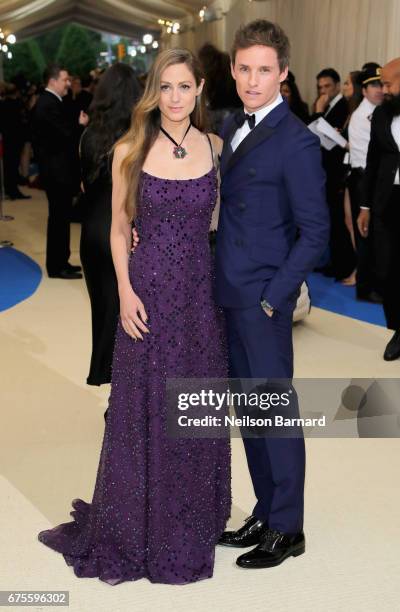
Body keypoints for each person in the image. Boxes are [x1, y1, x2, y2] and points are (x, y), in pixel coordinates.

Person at [38, 48, 231, 585]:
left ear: (199, 91)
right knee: (144, 405)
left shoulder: (216, 148)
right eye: (166, 87)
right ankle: (140, 523)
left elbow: (217, 220)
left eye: (185, 87)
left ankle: (194, 515)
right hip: (146, 291)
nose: (175, 98)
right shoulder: (130, 148)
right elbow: (118, 229)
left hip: (198, 295)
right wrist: (124, 290)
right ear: (154, 92)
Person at [214, 20, 329, 569]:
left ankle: (288, 527)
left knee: (274, 414)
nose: (252, 80)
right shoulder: (235, 124)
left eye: (264, 70)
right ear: (233, 69)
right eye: (244, 68)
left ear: (283, 74)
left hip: (262, 301)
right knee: (251, 414)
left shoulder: (297, 141)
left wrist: (274, 296)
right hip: (230, 293)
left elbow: (317, 233)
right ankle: (266, 509)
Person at [79, 63, 142, 386]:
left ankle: (111, 385)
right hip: (124, 232)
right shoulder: (139, 138)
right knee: (129, 316)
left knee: (104, 313)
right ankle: (124, 397)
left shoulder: (90, 135)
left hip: (91, 235)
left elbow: (84, 187)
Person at [358, 57, 400, 368]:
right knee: (385, 274)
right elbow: (372, 163)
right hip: (385, 207)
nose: (383, 90)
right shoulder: (382, 114)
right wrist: (365, 206)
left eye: (388, 84)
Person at [32, 64, 82, 279]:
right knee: (58, 219)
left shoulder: (52, 102)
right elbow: (65, 135)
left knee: (61, 218)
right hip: (56, 172)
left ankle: (62, 261)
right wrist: (80, 125)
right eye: (64, 80)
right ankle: (57, 265)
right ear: (52, 81)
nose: (68, 84)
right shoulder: (47, 104)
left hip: (57, 171)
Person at [312, 68, 356, 280]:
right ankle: (335, 263)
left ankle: (343, 265)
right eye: (320, 87)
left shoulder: (342, 105)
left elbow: (327, 136)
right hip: (328, 172)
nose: (323, 91)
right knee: (333, 220)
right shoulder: (334, 105)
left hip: (338, 171)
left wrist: (319, 113)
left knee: (340, 221)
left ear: (337, 85)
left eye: (328, 86)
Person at [346, 64, 383, 302]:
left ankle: (379, 284)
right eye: (374, 85)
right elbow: (371, 157)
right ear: (365, 89)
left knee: (378, 235)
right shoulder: (363, 117)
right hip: (364, 179)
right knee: (366, 234)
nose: (379, 89)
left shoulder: (380, 113)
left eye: (381, 84)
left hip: (373, 179)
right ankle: (366, 288)